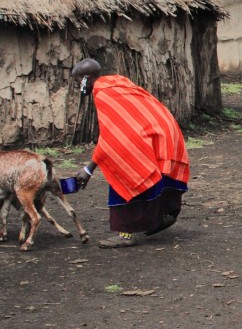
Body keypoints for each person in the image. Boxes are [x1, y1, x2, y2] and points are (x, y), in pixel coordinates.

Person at [69, 58, 189, 249]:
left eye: (78, 82)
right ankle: (165, 214)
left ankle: (126, 234)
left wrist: (89, 168)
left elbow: (110, 137)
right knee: (154, 174)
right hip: (163, 130)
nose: (79, 87)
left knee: (122, 171)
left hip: (149, 134)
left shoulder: (103, 94)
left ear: (85, 78)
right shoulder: (118, 83)